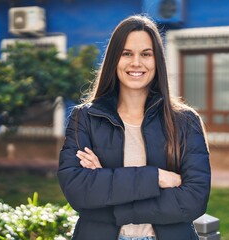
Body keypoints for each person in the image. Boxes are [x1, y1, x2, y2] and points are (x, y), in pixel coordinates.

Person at [57, 15, 211, 240]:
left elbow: (194, 199)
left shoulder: (185, 121)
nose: (136, 63)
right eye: (126, 53)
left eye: (146, 54)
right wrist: (157, 177)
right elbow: (78, 191)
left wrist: (107, 184)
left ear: (157, 60)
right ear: (114, 59)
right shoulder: (85, 117)